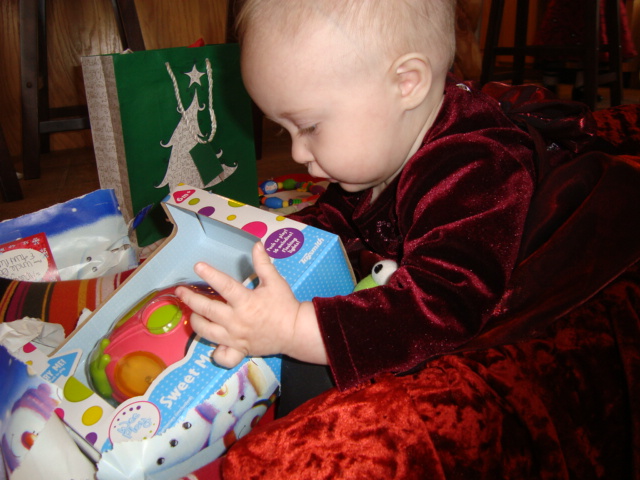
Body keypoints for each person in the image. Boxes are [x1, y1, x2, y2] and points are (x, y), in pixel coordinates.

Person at [176, 0, 536, 395]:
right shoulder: (381, 146)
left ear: (407, 84)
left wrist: (293, 329)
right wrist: (268, 247)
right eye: (283, 130)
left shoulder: (476, 169)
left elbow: (445, 307)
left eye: (309, 127)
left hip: (505, 311)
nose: (297, 153)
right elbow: (333, 219)